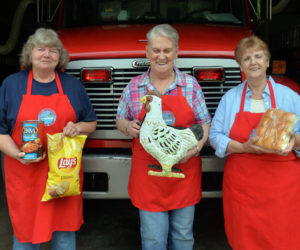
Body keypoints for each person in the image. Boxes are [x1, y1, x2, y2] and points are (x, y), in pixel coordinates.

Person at [0, 28, 97, 249]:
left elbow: (91, 123)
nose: (46, 54)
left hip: (63, 174)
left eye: (53, 50)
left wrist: (77, 127)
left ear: (59, 56)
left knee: (64, 235)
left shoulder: (72, 86)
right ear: (29, 54)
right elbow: (0, 130)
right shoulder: (12, 85)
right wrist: (17, 154)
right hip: (25, 174)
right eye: (40, 49)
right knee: (26, 236)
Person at [116, 24, 211, 250]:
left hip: (184, 170)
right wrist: (128, 127)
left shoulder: (190, 85)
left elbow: (204, 123)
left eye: (167, 50)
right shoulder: (134, 86)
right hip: (148, 176)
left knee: (182, 237)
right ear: (147, 52)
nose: (161, 56)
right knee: (153, 239)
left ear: (176, 53)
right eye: (156, 50)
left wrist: (194, 150)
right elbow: (119, 119)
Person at [209, 35, 300, 250]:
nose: (253, 62)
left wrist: (294, 140)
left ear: (268, 61)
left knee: (282, 238)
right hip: (243, 187)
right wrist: (243, 147)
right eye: (246, 58)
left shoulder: (290, 97)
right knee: (245, 240)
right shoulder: (230, 98)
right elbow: (214, 135)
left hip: (282, 187)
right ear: (240, 65)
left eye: (258, 56)